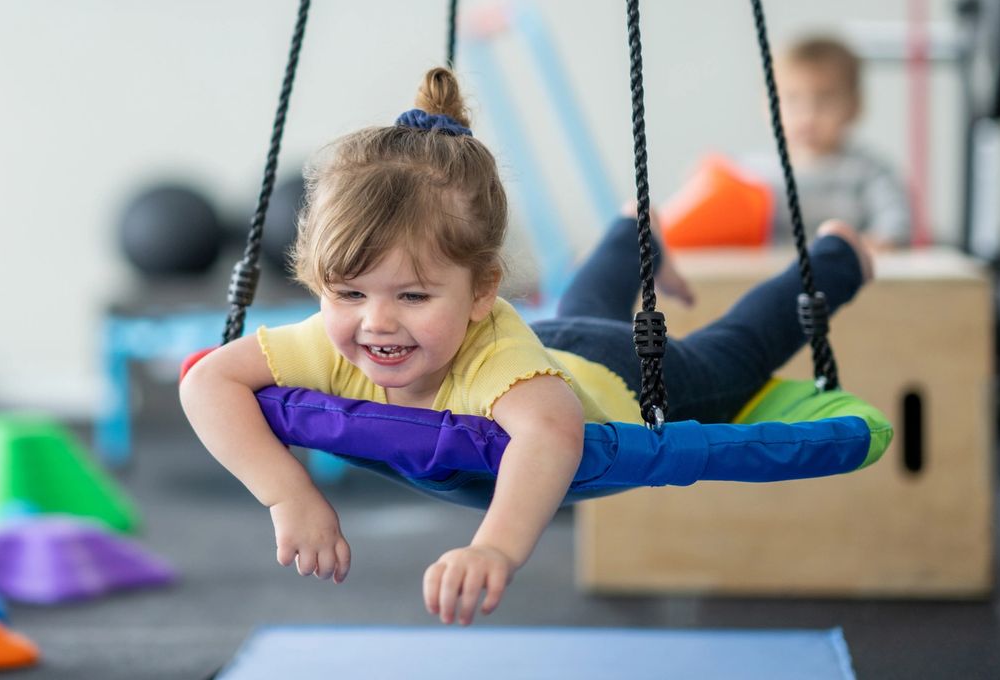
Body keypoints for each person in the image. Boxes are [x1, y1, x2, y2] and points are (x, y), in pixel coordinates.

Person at [180, 68, 874, 626]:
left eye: (413, 297)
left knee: (736, 351)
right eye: (349, 295)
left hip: (623, 380)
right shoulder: (335, 337)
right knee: (584, 309)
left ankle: (841, 254)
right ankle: (637, 233)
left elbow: (549, 435)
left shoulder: (496, 354)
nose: (377, 323)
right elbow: (207, 382)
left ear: (483, 291)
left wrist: (495, 547)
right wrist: (287, 495)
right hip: (559, 345)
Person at [743, 35, 911, 250]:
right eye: (792, 98)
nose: (808, 115)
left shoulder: (869, 171)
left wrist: (880, 241)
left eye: (825, 99)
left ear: (854, 105)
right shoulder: (749, 172)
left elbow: (896, 224)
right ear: (767, 105)